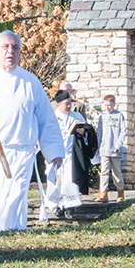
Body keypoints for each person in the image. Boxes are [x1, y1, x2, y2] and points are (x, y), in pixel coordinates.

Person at [0, 31, 64, 232]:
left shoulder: (30, 82)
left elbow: (45, 119)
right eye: (5, 47)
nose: (10, 51)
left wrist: (54, 151)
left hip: (21, 153)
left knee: (13, 201)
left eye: (15, 47)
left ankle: (12, 233)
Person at [43, 90, 89, 219]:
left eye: (70, 103)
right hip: (55, 154)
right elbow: (46, 135)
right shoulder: (52, 118)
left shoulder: (77, 116)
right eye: (66, 104)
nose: (69, 106)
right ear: (58, 105)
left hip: (71, 155)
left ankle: (70, 207)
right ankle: (57, 206)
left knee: (70, 181)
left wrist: (82, 132)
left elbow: (88, 132)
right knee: (56, 182)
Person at [93, 93, 127, 203]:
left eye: (110, 105)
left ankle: (120, 192)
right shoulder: (102, 116)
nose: (108, 107)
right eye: (106, 105)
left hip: (115, 149)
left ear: (114, 104)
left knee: (116, 172)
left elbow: (123, 131)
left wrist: (118, 145)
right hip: (104, 148)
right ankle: (103, 194)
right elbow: (99, 133)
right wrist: (98, 147)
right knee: (104, 171)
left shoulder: (119, 116)